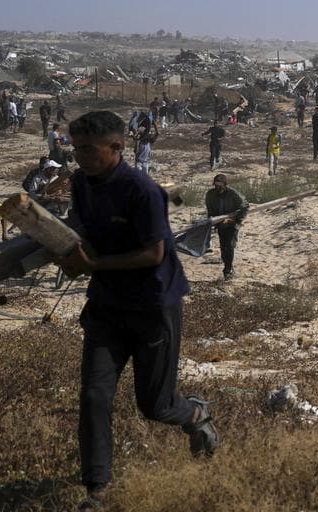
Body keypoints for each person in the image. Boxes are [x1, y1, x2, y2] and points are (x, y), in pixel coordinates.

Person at [55, 111, 218, 510]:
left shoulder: (142, 190)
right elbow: (81, 229)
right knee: (94, 396)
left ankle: (195, 414)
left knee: (156, 406)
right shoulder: (80, 183)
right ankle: (98, 490)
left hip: (152, 306)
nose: (80, 158)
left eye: (89, 150)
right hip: (107, 307)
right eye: (75, 149)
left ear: (117, 147)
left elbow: (153, 253)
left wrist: (92, 265)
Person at [204, 174, 248, 280]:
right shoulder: (211, 194)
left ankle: (228, 270)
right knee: (223, 247)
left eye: (220, 184)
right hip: (220, 224)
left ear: (225, 184)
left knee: (230, 245)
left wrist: (235, 219)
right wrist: (213, 221)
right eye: (216, 184)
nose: (218, 187)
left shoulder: (233, 194)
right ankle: (228, 266)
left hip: (232, 223)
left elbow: (245, 206)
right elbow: (210, 210)